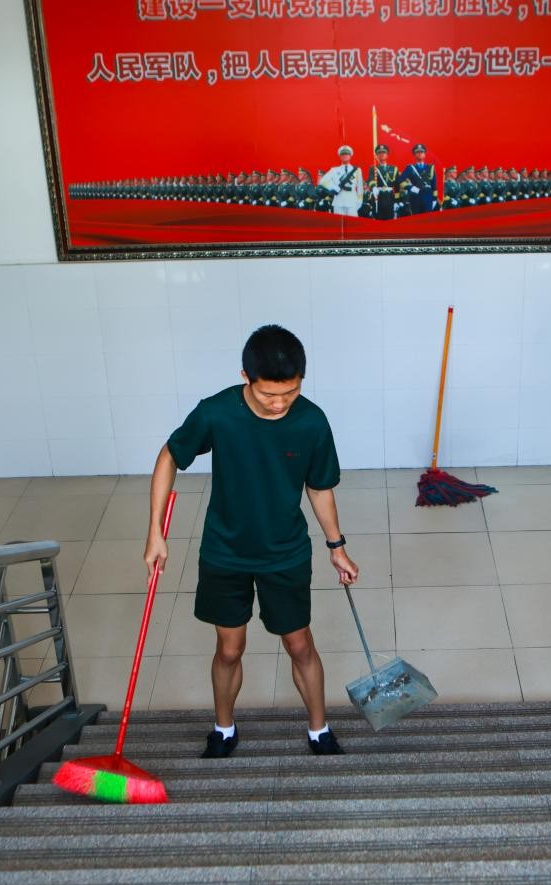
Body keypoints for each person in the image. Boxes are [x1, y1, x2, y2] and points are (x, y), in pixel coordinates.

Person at [145, 325, 359, 759]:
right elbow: (170, 455)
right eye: (268, 395)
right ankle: (224, 728)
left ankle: (319, 730)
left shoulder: (312, 421)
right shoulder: (217, 413)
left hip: (285, 552)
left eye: (291, 392)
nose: (280, 404)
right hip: (226, 551)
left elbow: (319, 488)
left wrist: (337, 547)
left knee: (300, 644)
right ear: (245, 376)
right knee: (229, 647)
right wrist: (155, 532)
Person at [317, 146, 363, 217]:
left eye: (347, 154)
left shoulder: (357, 170)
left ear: (350, 156)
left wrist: (360, 200)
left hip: (352, 201)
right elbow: (322, 181)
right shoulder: (334, 170)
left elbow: (360, 187)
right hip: (338, 201)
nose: (345, 156)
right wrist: (333, 187)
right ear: (340, 156)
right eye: (343, 154)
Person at [398, 143, 439, 214]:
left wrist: (434, 199)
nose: (420, 153)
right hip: (415, 197)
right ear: (414, 154)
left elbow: (434, 185)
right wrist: (410, 187)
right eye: (417, 152)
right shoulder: (410, 168)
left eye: (422, 152)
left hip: (427, 197)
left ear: (425, 154)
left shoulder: (430, 167)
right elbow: (400, 180)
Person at [366, 144, 399, 220]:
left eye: (384, 152)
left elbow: (397, 185)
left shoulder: (394, 168)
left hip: (390, 196)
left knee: (390, 218)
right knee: (378, 218)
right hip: (378, 195)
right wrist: (373, 187)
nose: (381, 154)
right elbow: (371, 179)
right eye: (379, 153)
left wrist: (397, 201)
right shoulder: (373, 168)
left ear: (387, 155)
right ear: (376, 156)